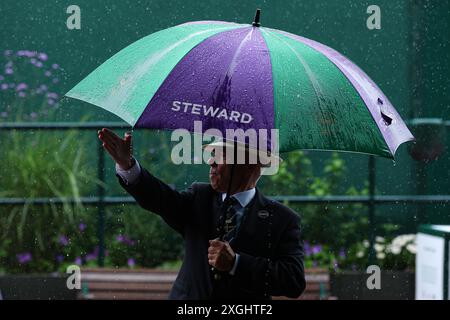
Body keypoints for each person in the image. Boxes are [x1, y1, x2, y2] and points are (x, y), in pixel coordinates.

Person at [98, 128, 306, 300]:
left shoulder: (282, 219)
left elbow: (293, 281)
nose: (211, 162)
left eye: (221, 155)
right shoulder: (199, 197)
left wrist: (236, 264)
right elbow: (161, 200)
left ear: (249, 163)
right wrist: (128, 165)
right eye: (212, 155)